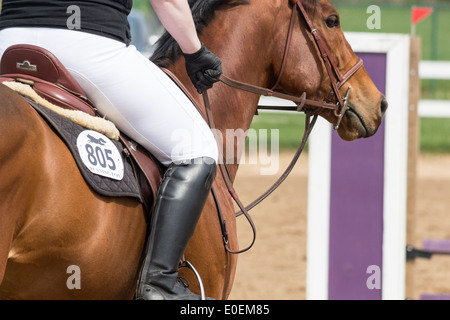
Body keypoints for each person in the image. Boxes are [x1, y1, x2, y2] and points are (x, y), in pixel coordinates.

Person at [0, 0, 222, 300]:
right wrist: (195, 51)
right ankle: (158, 283)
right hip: (85, 45)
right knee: (196, 145)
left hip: (8, 41)